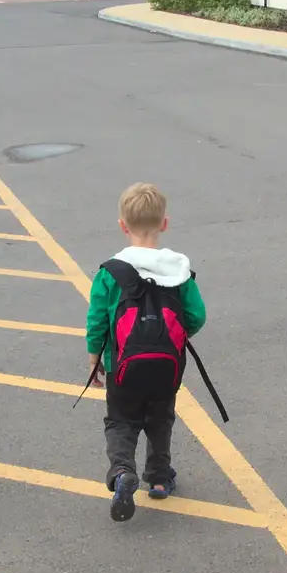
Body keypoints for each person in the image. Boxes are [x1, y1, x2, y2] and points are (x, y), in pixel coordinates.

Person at [85, 182, 206, 521]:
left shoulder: (110, 272)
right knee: (160, 418)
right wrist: (174, 337)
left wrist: (96, 357)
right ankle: (159, 478)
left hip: (122, 365)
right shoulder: (179, 272)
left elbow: (97, 320)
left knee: (121, 420)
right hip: (167, 368)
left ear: (123, 226)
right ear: (164, 224)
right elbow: (197, 315)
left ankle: (123, 471)